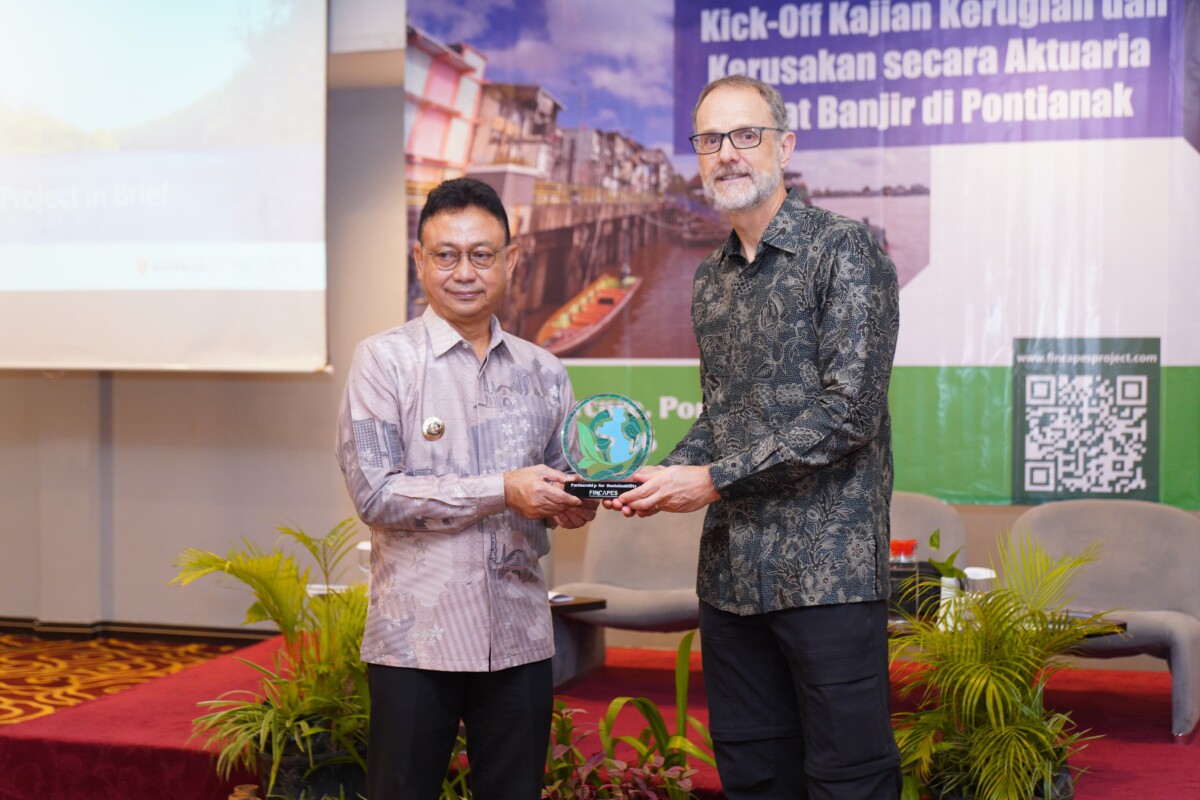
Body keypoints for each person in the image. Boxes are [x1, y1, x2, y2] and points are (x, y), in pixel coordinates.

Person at [608, 75, 902, 798]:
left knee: (849, 780)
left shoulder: (845, 250)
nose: (727, 154)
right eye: (710, 140)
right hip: (732, 580)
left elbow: (849, 413)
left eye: (746, 135)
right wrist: (655, 476)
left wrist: (710, 481)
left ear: (784, 146)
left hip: (828, 577)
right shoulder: (709, 279)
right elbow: (721, 416)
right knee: (752, 776)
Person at [335, 177, 595, 800]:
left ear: (511, 260)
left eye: (482, 255)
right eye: (446, 255)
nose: (464, 273)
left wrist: (578, 502)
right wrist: (503, 489)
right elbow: (377, 495)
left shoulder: (544, 371)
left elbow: (560, 479)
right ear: (420, 260)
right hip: (415, 640)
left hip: (519, 637)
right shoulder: (383, 362)